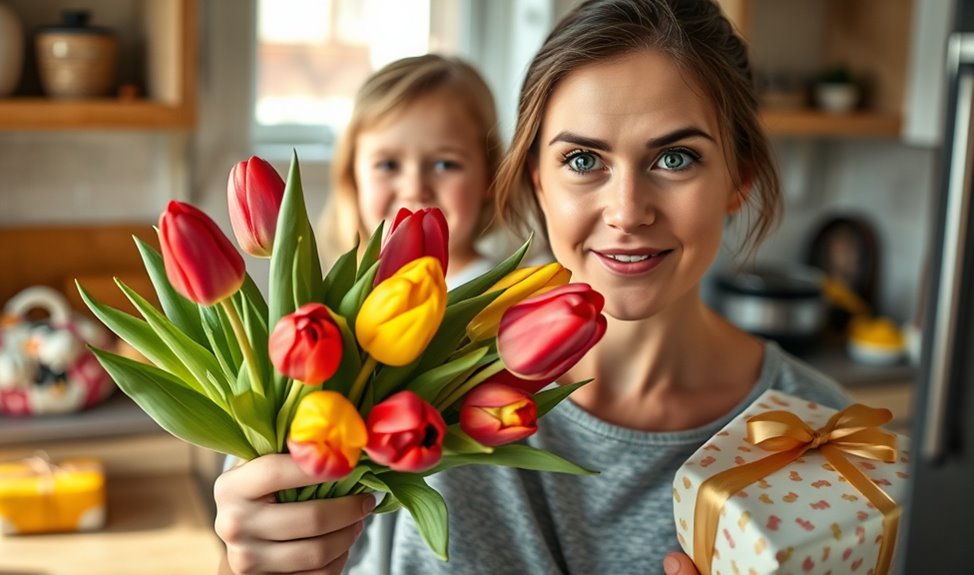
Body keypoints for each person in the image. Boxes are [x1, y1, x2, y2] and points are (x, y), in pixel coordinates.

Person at [213, 1, 854, 574]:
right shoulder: (382, 380)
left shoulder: (831, 442)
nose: (628, 210)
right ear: (535, 180)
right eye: (583, 160)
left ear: (738, 176)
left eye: (675, 157)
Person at [318, 53, 506, 288]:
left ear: (491, 176)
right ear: (353, 176)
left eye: (445, 164)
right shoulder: (344, 293)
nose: (414, 189)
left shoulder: (500, 298)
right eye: (388, 165)